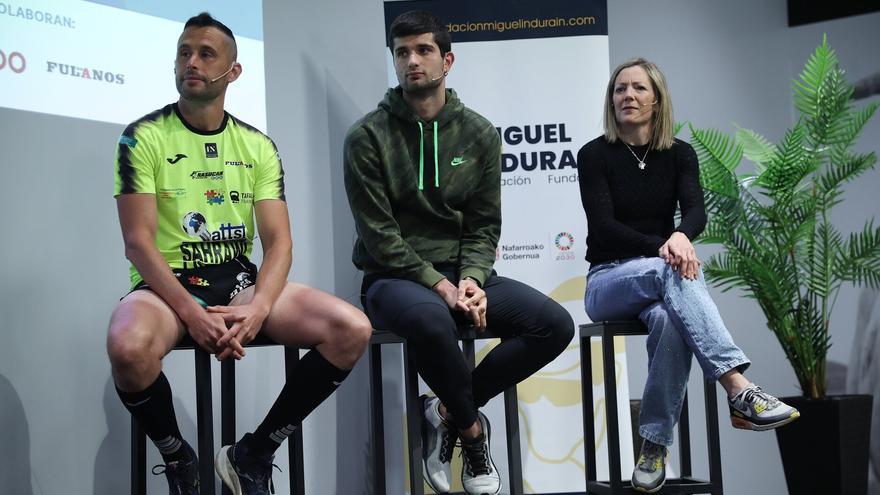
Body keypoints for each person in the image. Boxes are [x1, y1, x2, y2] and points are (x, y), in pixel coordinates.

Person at [107, 12, 371, 495]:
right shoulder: (142, 136)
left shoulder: (256, 145)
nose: (192, 62)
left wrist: (259, 307)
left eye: (206, 54)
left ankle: (254, 454)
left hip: (238, 282)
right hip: (167, 288)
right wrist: (192, 311)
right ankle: (179, 458)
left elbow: (280, 243)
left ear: (233, 72)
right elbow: (138, 243)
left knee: (351, 329)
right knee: (128, 347)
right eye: (184, 52)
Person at [343, 10, 574, 495]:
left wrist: (470, 278)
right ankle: (472, 435)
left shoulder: (479, 133)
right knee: (433, 321)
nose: (412, 61)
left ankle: (445, 410)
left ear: (447, 60)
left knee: (554, 325)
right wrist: (442, 286)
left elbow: (485, 223)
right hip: (393, 279)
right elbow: (380, 235)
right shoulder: (367, 137)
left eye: (423, 50)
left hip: (461, 274)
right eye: (402, 52)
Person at [576, 57, 800, 493]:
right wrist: (667, 247)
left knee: (670, 322)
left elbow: (696, 210)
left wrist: (680, 234)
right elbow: (604, 227)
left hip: (663, 277)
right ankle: (738, 388)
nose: (628, 96)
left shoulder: (679, 154)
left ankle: (653, 445)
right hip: (609, 280)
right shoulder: (594, 154)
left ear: (657, 100)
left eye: (639, 89)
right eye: (620, 89)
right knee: (669, 271)